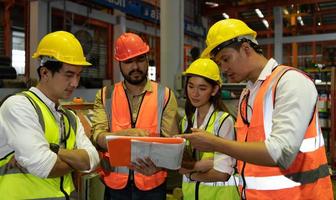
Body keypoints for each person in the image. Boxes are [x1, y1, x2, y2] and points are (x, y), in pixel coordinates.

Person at [180, 18, 333, 200]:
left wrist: (214, 143)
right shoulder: (248, 94)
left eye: (226, 59)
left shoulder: (289, 82)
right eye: (220, 63)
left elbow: (281, 153)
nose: (224, 68)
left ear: (246, 48)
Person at [0, 31, 100, 199]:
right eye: (69, 74)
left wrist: (54, 150)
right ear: (45, 73)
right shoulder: (19, 107)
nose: (75, 83)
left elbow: (92, 160)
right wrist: (76, 160)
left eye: (78, 75)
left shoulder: (70, 118)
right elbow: (45, 166)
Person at [91, 32, 179, 200]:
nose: (135, 67)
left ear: (147, 59)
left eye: (140, 60)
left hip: (152, 184)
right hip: (115, 184)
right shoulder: (105, 95)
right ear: (119, 64)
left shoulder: (165, 95)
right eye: (128, 62)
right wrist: (123, 136)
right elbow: (97, 136)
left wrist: (159, 167)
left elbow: (172, 144)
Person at [179, 58, 239, 200]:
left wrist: (191, 172)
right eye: (191, 86)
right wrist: (207, 164)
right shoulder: (186, 121)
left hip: (221, 196)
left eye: (202, 88)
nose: (195, 93)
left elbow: (222, 173)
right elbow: (180, 164)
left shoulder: (224, 121)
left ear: (214, 90)